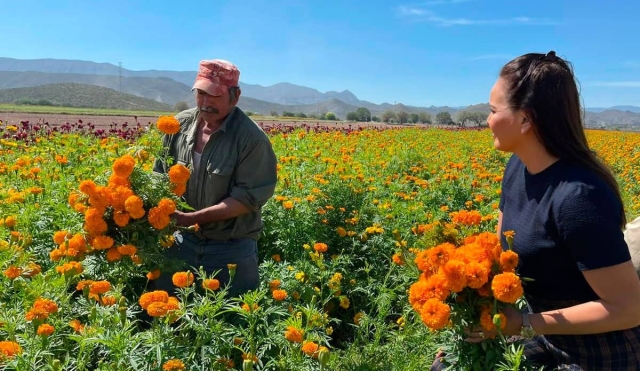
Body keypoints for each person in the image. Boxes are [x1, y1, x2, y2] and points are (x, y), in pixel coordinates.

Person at [432, 51, 640, 370]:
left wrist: (525, 323)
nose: (487, 120)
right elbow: (503, 255)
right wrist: (467, 291)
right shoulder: (518, 167)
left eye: (492, 110)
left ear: (526, 119)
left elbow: (628, 308)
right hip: (546, 332)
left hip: (599, 348)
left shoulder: (579, 197)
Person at [151, 59, 278, 297]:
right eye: (200, 94)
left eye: (215, 96)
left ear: (235, 96)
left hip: (230, 247)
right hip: (180, 241)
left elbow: (247, 198)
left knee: (231, 320)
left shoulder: (252, 139)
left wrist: (192, 218)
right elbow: (159, 173)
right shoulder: (178, 125)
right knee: (169, 314)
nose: (206, 103)